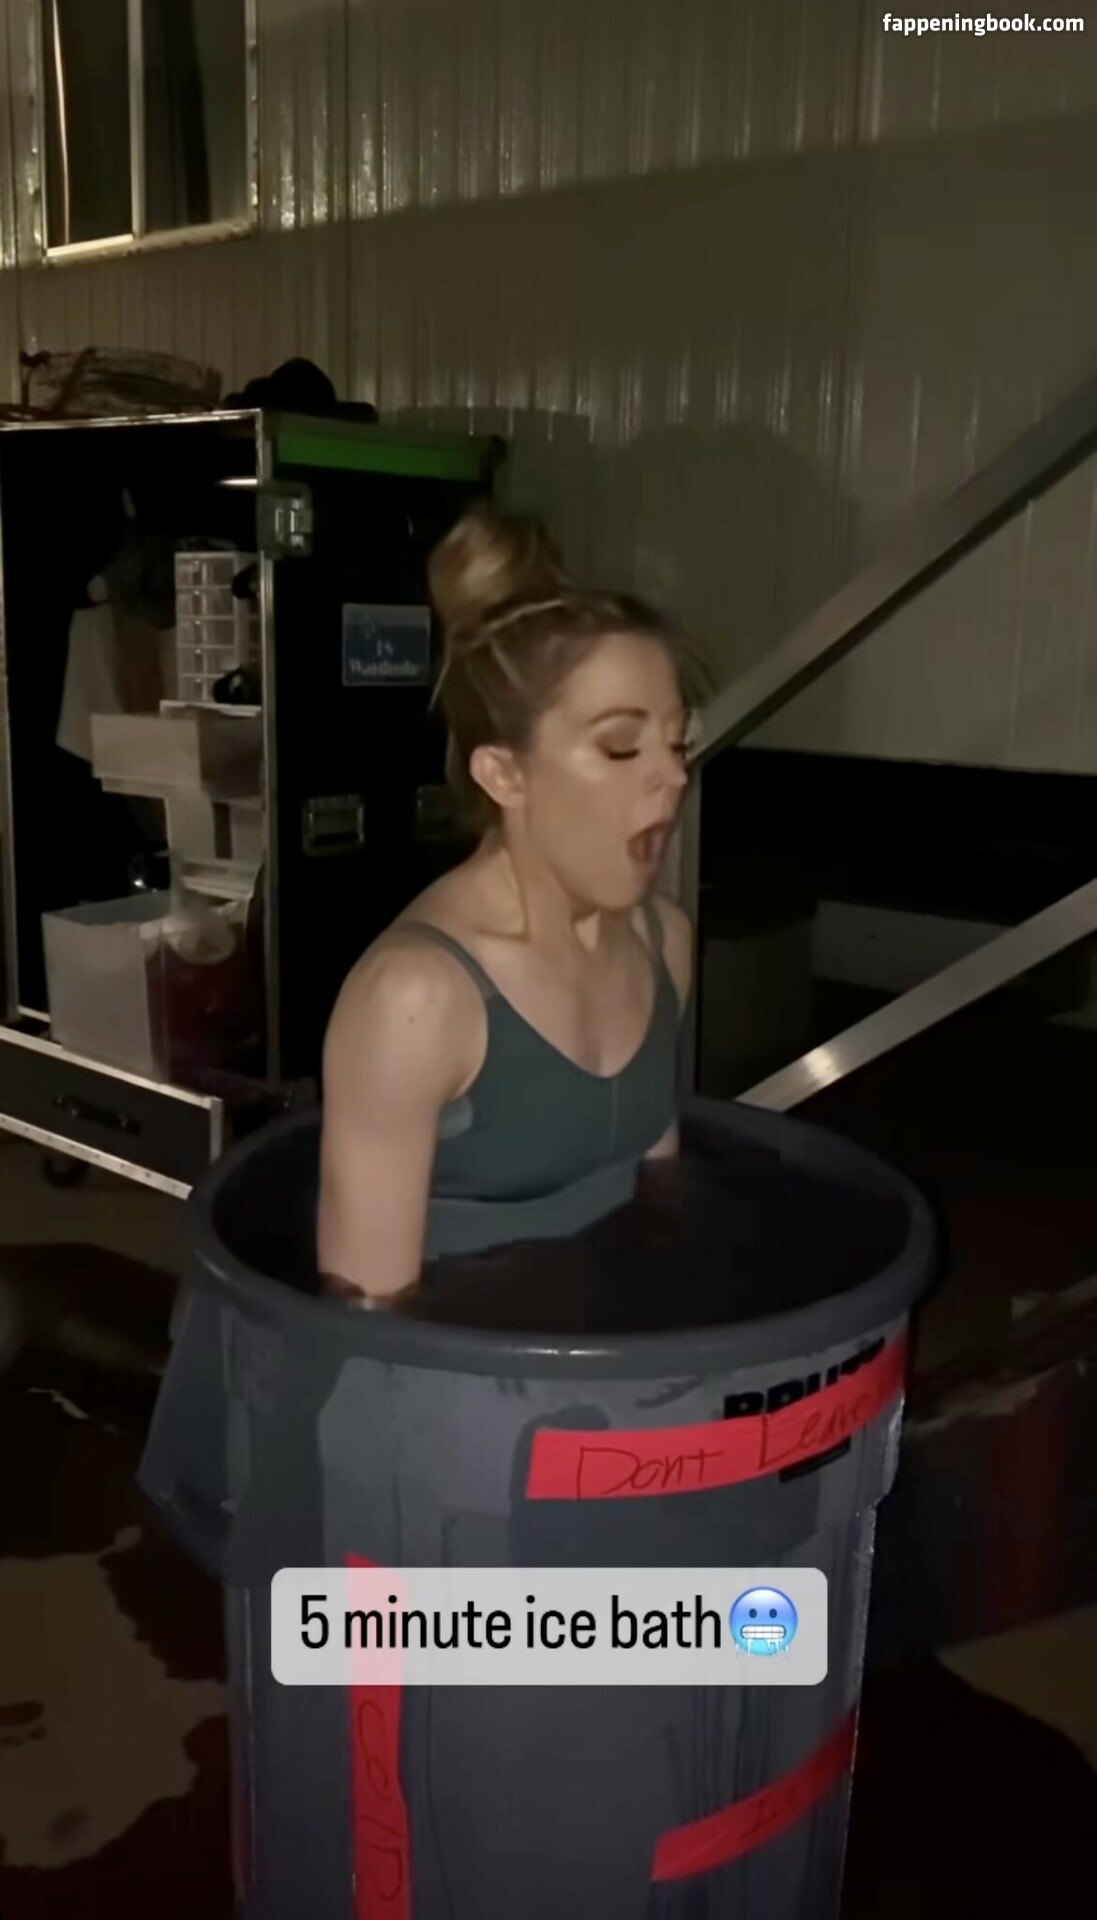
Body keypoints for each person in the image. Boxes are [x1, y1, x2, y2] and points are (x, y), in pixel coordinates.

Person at [316, 506, 700, 1307]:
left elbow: (654, 1210)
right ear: (504, 775)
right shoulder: (416, 999)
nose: (672, 776)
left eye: (677, 742)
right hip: (450, 1364)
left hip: (603, 1344)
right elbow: (363, 1320)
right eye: (621, 746)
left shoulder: (663, 941)